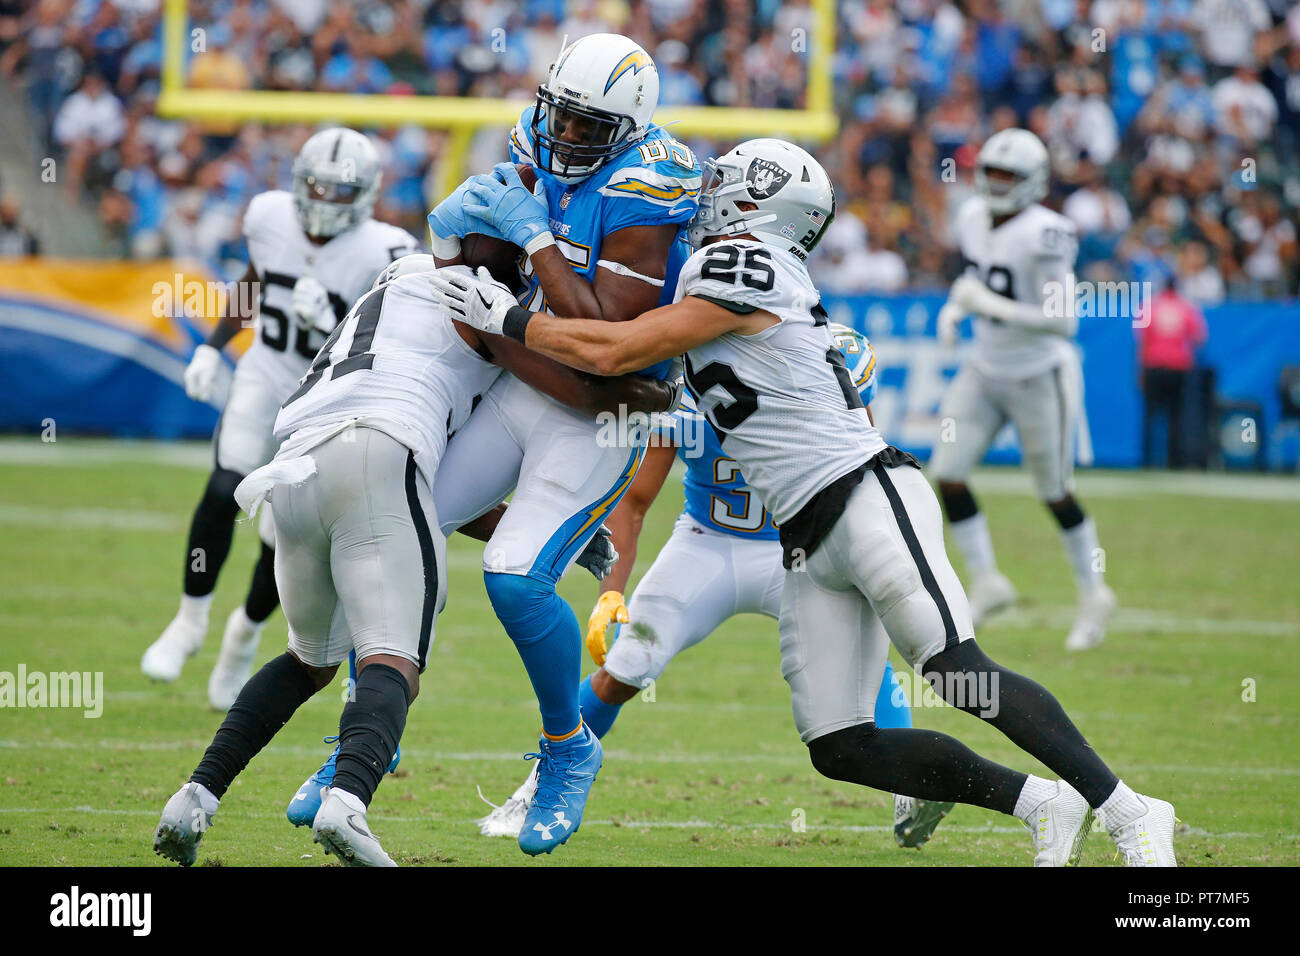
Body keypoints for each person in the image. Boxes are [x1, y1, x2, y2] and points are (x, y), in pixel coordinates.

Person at [430, 137, 1177, 866]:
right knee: (841, 745)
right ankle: (1044, 803)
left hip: (864, 493)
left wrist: (512, 317)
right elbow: (618, 354)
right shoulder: (711, 269)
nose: (708, 186)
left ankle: (1130, 811)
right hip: (804, 534)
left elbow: (615, 351)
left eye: (728, 177)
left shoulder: (746, 262)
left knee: (954, 668)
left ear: (762, 201)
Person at [153, 255, 675, 867]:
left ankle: (195, 795)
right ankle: (349, 797)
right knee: (393, 659)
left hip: (292, 471)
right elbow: (579, 390)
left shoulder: (386, 285)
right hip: (377, 456)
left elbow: (431, 500)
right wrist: (649, 391)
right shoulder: (474, 294)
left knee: (306, 659)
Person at [478, 323, 952, 850]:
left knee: (866, 663)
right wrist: (611, 591)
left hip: (796, 551)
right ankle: (543, 781)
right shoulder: (694, 390)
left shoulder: (831, 380)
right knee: (624, 670)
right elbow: (634, 504)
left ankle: (910, 788)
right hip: (705, 545)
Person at [419, 33, 700, 855]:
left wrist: (529, 249)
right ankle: (369, 733)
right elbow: (488, 290)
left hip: (606, 411)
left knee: (511, 580)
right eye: (561, 118)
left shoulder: (652, 187)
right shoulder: (531, 143)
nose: (566, 138)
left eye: (589, 127)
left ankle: (566, 751)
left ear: (629, 127)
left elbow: (604, 344)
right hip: (533, 382)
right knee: (396, 520)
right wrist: (459, 247)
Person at [141, 128, 420, 709]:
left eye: (338, 191)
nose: (322, 199)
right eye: (315, 185)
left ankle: (241, 637)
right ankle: (189, 621)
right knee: (223, 487)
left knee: (285, 536)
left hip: (325, 393)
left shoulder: (383, 250)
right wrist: (213, 346)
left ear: (364, 196)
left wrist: (336, 318)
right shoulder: (269, 218)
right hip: (266, 372)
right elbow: (254, 281)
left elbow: (392, 335)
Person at [932, 128, 1116, 651]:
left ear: (1031, 181)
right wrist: (955, 309)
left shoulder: (1047, 232)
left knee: (1054, 489)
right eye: (990, 171)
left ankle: (1093, 592)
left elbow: (1063, 321)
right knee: (947, 473)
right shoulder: (970, 216)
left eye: (1007, 175)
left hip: (1041, 372)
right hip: (986, 365)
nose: (995, 182)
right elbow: (974, 279)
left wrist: (986, 306)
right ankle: (987, 581)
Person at [1136, 275, 1209, 468]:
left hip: (1154, 365)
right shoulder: (1186, 307)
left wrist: (1141, 370)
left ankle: (1148, 459)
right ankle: (1174, 461)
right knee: (1176, 417)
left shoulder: (1150, 306)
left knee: (1150, 416)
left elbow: (1142, 340)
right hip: (1178, 366)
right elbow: (1200, 337)